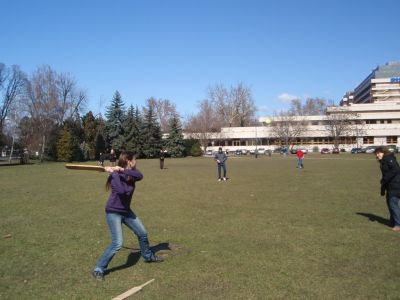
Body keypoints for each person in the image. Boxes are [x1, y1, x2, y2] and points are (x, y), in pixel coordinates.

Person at [92, 151, 163, 281]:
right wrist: (114, 173)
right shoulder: (115, 177)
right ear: (129, 161)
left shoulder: (131, 174)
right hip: (113, 211)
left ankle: (148, 256)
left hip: (126, 211)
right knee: (117, 243)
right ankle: (99, 268)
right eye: (134, 160)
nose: (136, 162)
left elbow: (140, 176)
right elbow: (121, 191)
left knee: (142, 233)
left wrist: (121, 170)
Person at [374, 147, 400, 232]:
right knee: (390, 203)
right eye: (376, 154)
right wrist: (382, 190)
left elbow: (395, 169)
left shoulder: (389, 159)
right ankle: (393, 222)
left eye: (379, 153)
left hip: (396, 185)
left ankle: (398, 225)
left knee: (393, 204)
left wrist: (385, 178)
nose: (378, 155)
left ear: (384, 152)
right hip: (390, 186)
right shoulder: (383, 161)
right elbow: (385, 178)